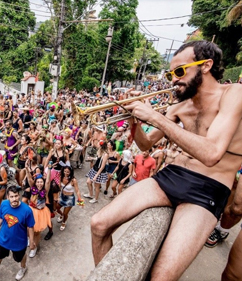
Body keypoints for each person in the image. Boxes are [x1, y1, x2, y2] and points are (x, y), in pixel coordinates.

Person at [90, 40, 242, 280]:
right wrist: (134, 120)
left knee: (161, 276)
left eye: (180, 71)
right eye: (171, 73)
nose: (173, 79)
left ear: (206, 66)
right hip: (170, 176)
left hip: (207, 189)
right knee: (99, 224)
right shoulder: (179, 106)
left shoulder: (233, 94)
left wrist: (153, 115)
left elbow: (212, 153)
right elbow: (145, 144)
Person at [0, 186, 35, 281]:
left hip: (19, 242)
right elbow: (0, 218)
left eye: (16, 196)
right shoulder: (4, 204)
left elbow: (30, 227)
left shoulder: (27, 210)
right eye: (11, 197)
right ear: (7, 197)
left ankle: (23, 268)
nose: (14, 199)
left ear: (19, 196)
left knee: (20, 257)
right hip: (3, 239)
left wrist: (31, 242)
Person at [51, 165, 83, 231]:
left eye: (68, 172)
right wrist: (58, 196)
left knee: (66, 213)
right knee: (56, 208)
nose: (66, 173)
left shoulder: (73, 180)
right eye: (64, 171)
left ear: (71, 172)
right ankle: (62, 215)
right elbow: (59, 187)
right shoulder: (61, 177)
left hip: (70, 198)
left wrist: (80, 200)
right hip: (62, 196)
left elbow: (77, 190)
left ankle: (64, 222)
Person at [84, 139, 108, 204]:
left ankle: (96, 198)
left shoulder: (105, 155)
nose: (96, 144)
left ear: (101, 146)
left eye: (98, 144)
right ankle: (90, 194)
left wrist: (96, 175)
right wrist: (92, 158)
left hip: (99, 171)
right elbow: (97, 159)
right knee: (88, 182)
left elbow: (102, 166)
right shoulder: (99, 151)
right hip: (94, 169)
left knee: (96, 186)